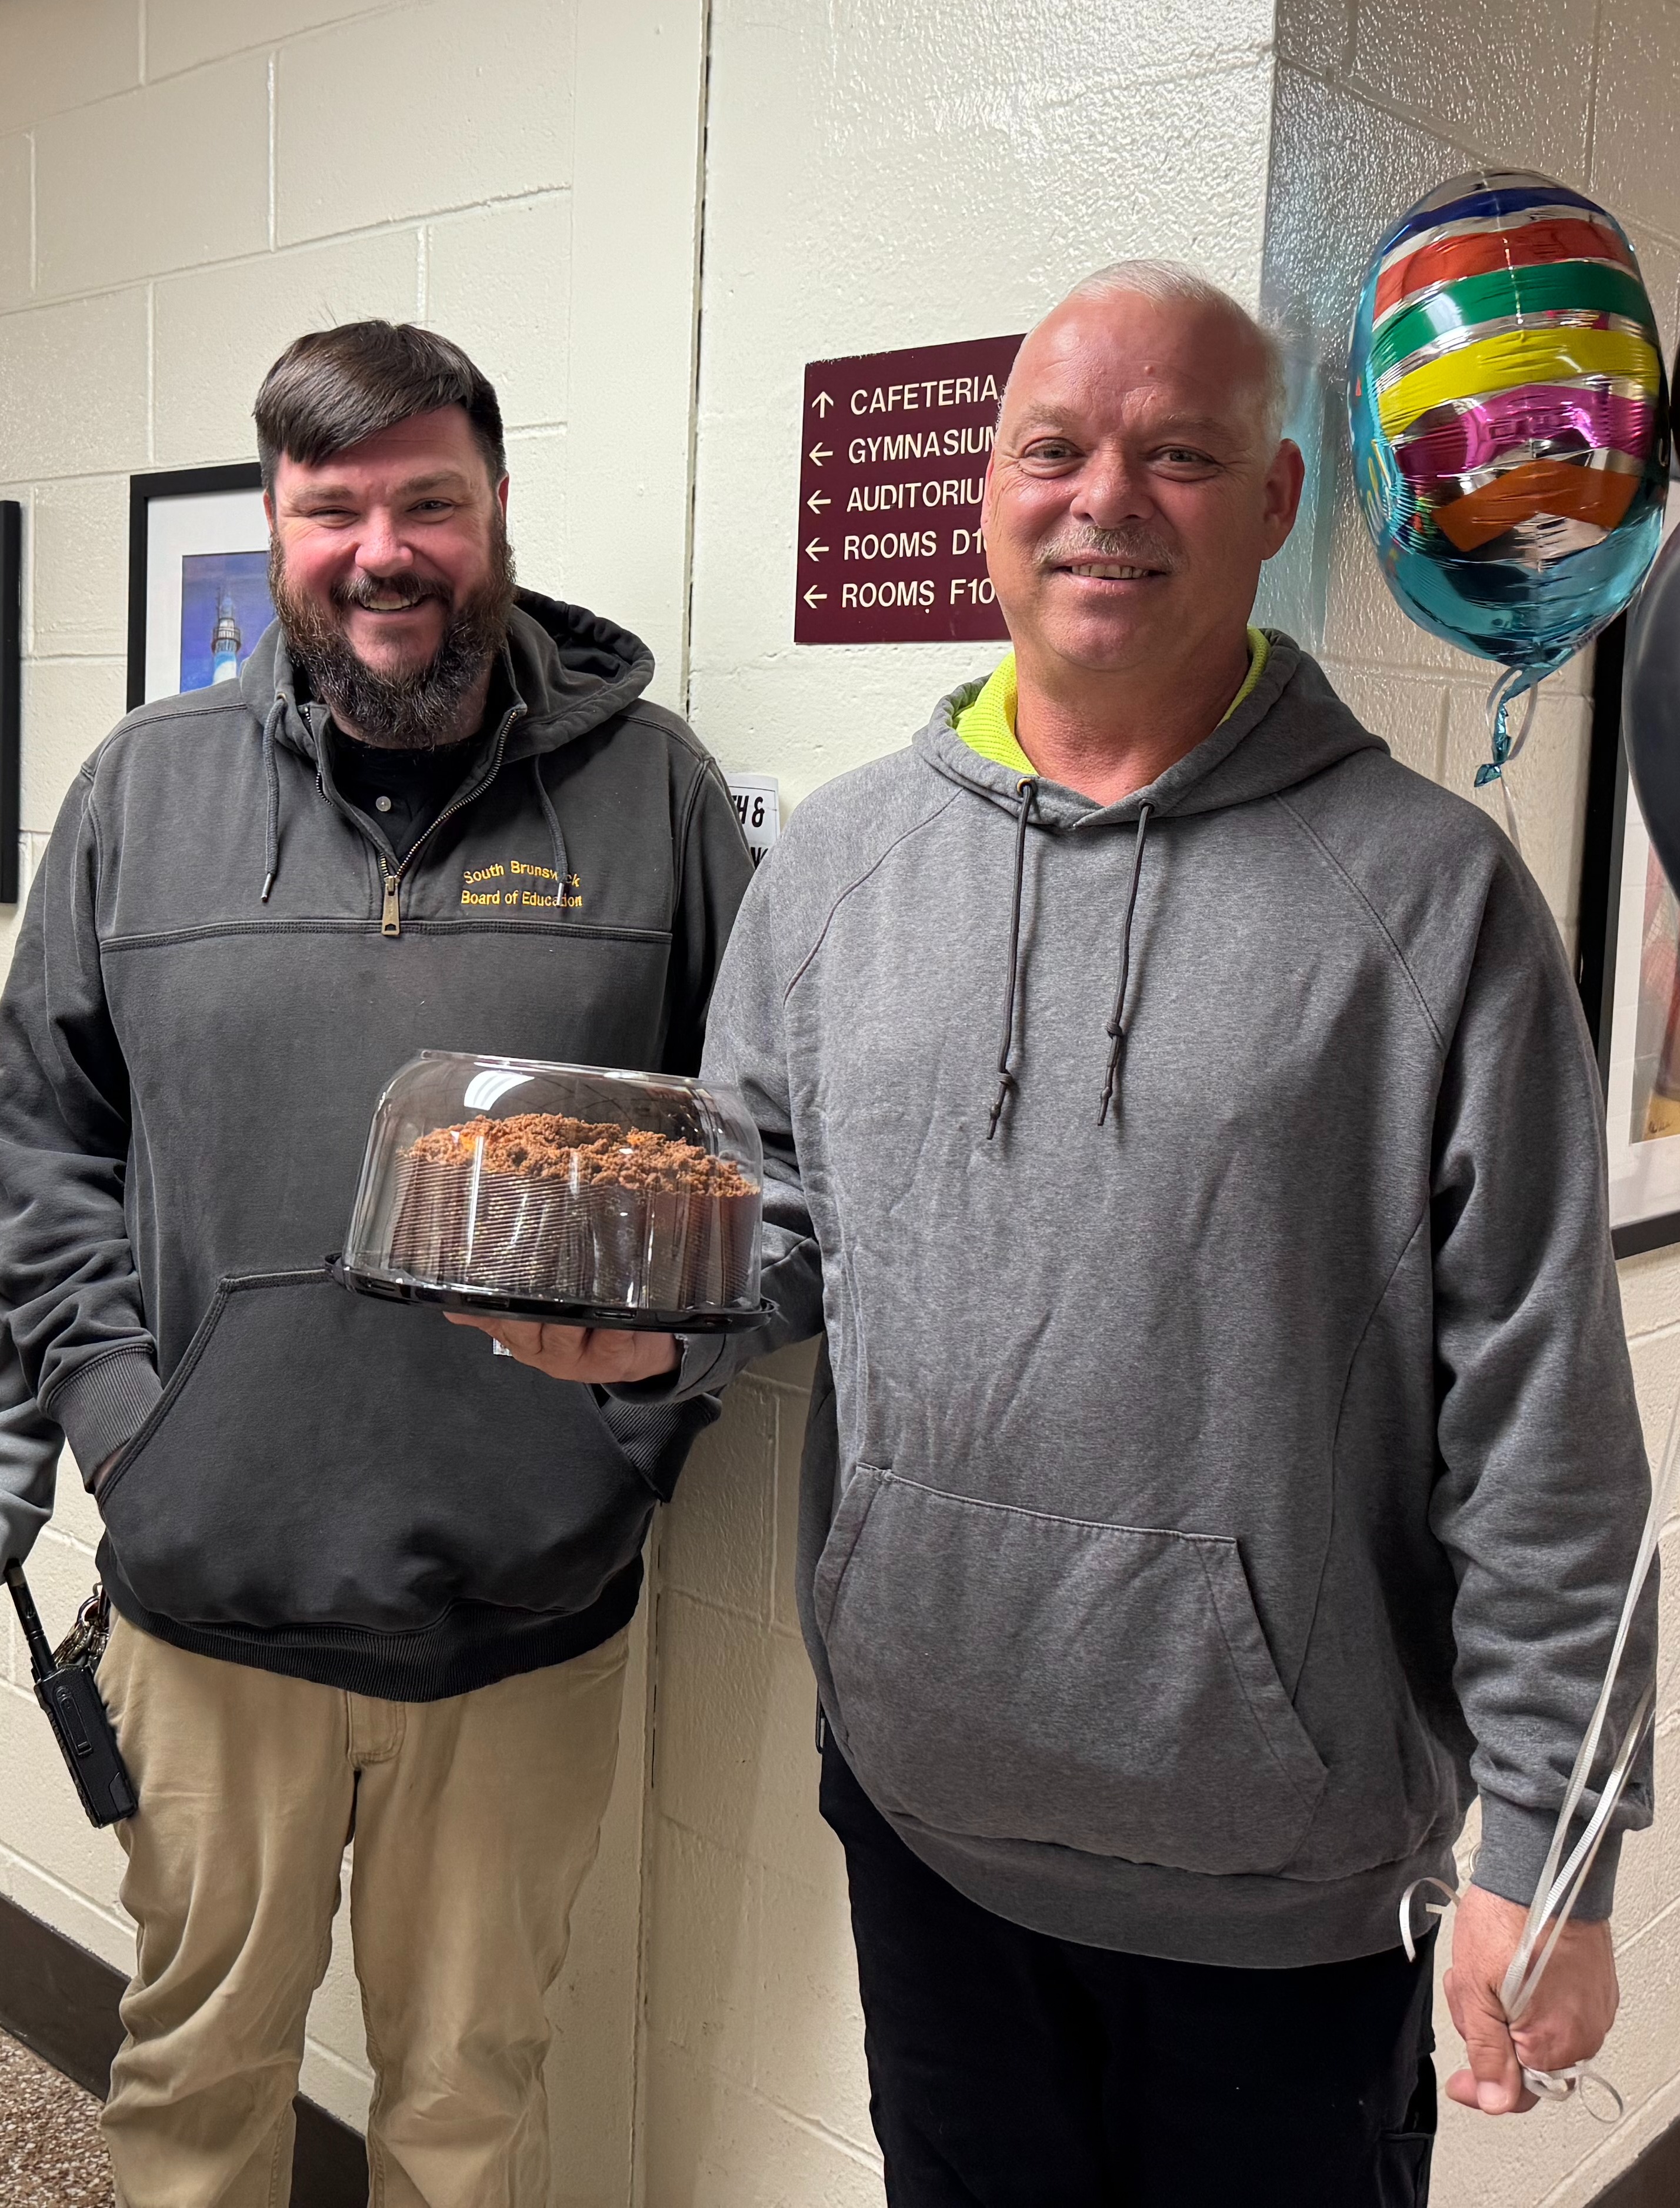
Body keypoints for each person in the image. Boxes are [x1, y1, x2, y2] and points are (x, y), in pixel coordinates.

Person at [517, 262, 1654, 2204]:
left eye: (1179, 455)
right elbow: (768, 1222)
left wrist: (1555, 1842)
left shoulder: (1433, 900)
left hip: (1288, 1890)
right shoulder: (837, 868)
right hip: (926, 1819)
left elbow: (1541, 1417)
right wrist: (647, 1329)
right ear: (990, 485)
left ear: (1275, 501)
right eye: (1054, 449)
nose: (1105, 498)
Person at [0, 320, 752, 2208]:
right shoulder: (141, 795)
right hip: (207, 1610)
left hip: (523, 1620)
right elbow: (37, 1140)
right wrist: (124, 1422)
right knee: (194, 2086)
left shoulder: (656, 798)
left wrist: (640, 1420)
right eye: (333, 507)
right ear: (279, 525)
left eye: (430, 501)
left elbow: (758, 1165)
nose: (383, 551)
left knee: (470, 2102)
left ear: (497, 510)